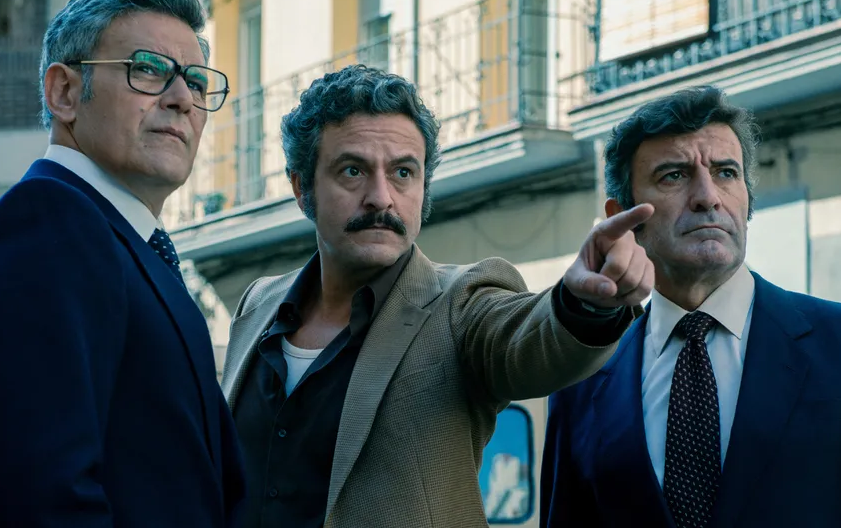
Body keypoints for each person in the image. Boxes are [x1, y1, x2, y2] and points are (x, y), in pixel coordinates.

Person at [219, 64, 655, 527]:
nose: (381, 197)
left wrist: (583, 304)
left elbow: (531, 339)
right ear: (301, 186)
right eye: (353, 170)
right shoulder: (258, 304)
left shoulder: (462, 302)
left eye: (403, 172)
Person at [540, 86, 841, 528]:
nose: (708, 197)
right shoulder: (582, 380)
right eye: (674, 176)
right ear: (620, 215)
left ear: (747, 200)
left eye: (725, 172)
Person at [0, 0, 245, 526]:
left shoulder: (118, 240)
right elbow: (41, 501)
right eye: (148, 69)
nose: (183, 99)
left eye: (197, 81)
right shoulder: (45, 226)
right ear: (64, 93)